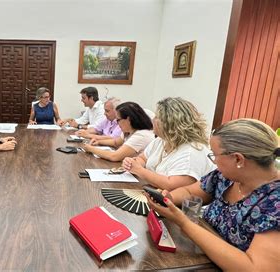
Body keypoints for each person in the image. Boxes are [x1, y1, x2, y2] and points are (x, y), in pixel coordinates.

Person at [147, 118, 280, 271]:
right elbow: (190, 192)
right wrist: (169, 199)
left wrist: (184, 222)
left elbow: (253, 268)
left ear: (238, 159)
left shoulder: (274, 202)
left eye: (215, 155)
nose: (214, 161)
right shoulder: (226, 177)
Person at [122, 97, 215, 190]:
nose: (153, 120)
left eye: (157, 117)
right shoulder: (161, 140)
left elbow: (172, 185)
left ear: (169, 123)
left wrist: (139, 170)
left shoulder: (191, 152)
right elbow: (143, 158)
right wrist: (133, 163)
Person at [83, 102, 155, 162]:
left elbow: (114, 156)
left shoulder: (141, 135)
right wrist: (98, 142)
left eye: (118, 120)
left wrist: (90, 149)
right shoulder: (129, 131)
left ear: (128, 119)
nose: (117, 123)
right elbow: (115, 142)